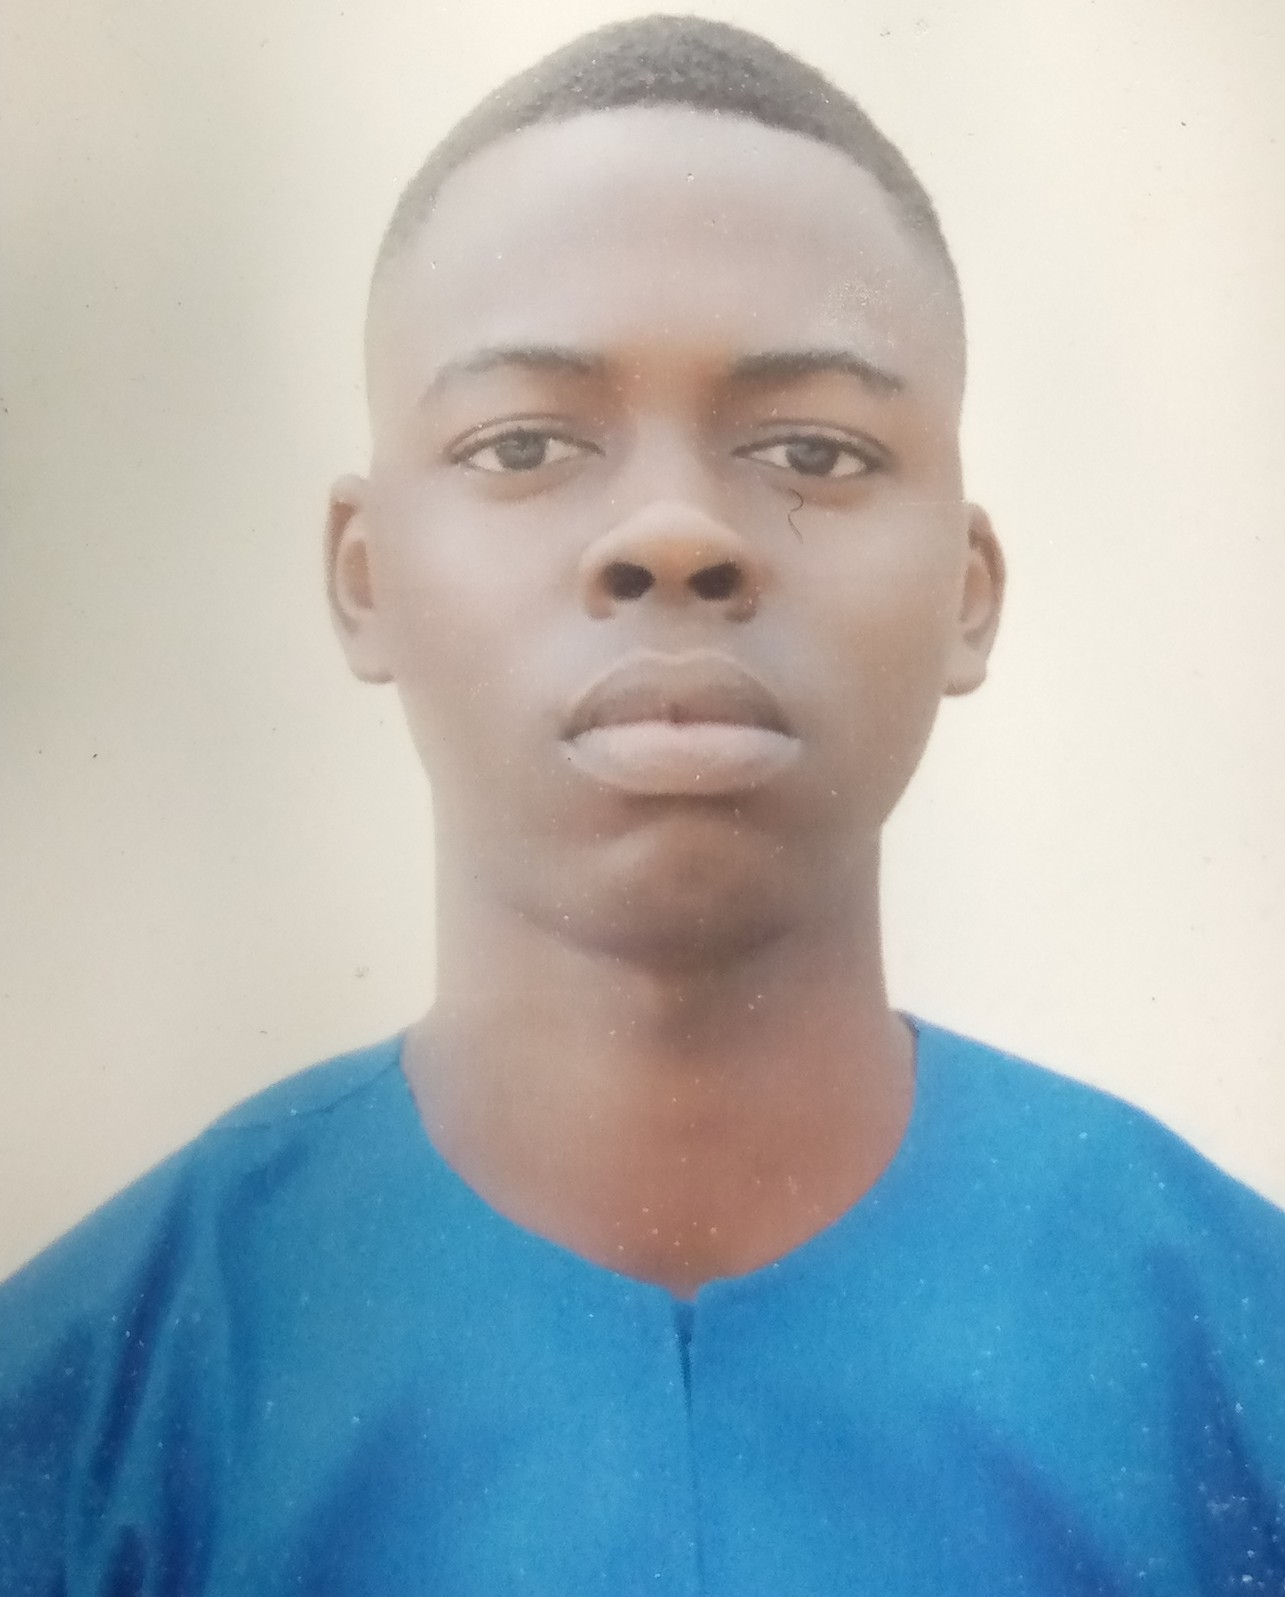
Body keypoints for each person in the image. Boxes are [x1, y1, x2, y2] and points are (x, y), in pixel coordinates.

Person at [2, 14, 1282, 1593]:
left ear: (967, 589)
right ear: (362, 575)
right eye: (523, 443)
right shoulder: (86, 1411)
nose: (673, 531)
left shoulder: (1233, 1357)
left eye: (812, 448)